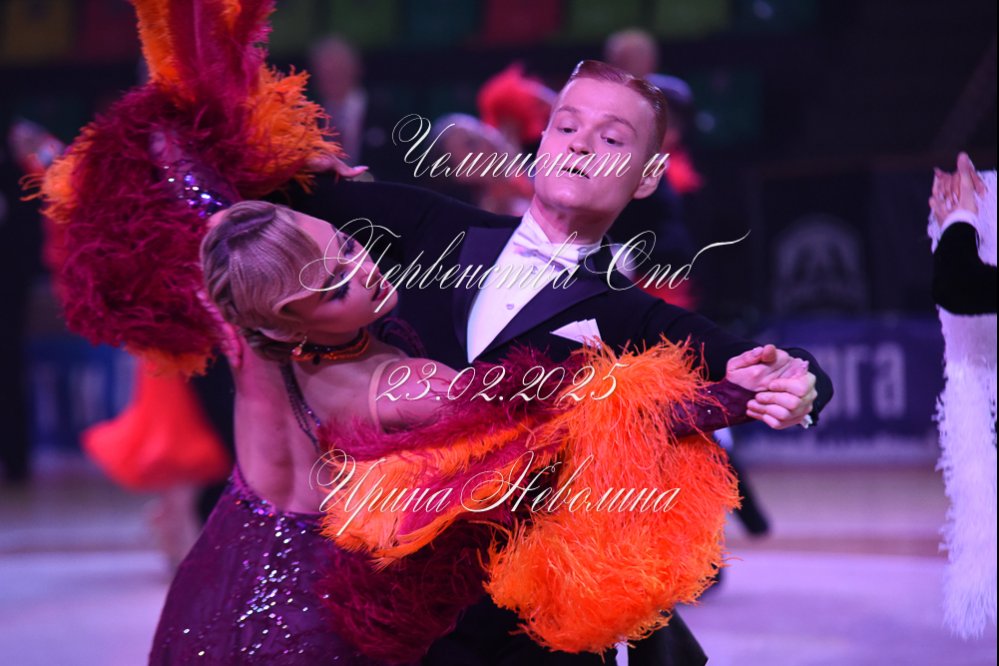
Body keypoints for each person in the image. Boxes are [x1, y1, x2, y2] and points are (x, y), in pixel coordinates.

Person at [295, 59, 834, 666]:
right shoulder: (438, 228)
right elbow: (276, 195)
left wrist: (795, 380)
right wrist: (291, 167)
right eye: (566, 126)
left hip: (535, 629)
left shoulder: (631, 316)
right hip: (383, 603)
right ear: (543, 143)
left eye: (612, 139)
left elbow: (782, 366)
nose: (580, 144)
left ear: (647, 177)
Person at [149, 199, 803, 664]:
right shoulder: (405, 389)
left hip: (220, 586)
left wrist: (291, 179)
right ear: (285, 321)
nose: (364, 270)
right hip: (309, 626)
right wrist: (732, 398)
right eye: (335, 286)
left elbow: (204, 203)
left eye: (347, 245)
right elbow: (575, 422)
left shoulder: (245, 325)